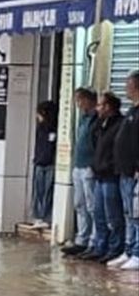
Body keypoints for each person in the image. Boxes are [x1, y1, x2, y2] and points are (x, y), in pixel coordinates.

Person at [79, 92, 125, 263]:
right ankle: (100, 246)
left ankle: (115, 248)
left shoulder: (119, 124)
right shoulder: (101, 124)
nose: (97, 108)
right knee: (99, 214)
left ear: (108, 107)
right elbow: (94, 140)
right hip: (99, 174)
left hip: (111, 175)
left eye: (100, 105)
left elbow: (119, 149)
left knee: (113, 215)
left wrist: (111, 166)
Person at [62, 89, 99, 256]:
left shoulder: (97, 119)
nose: (78, 104)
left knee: (92, 206)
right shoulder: (82, 119)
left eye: (80, 100)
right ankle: (82, 239)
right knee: (79, 204)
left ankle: (94, 240)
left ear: (89, 100)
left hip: (90, 167)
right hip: (78, 166)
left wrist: (94, 165)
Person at [110, 71, 139, 271]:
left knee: (136, 214)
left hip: (134, 172)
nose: (125, 89)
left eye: (128, 85)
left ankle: (137, 253)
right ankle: (129, 250)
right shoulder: (132, 111)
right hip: (123, 172)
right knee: (128, 214)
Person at [31, 100, 57, 228]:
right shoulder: (40, 128)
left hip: (50, 163)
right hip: (40, 163)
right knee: (39, 192)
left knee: (47, 192)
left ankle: (46, 217)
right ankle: (38, 216)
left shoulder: (53, 128)